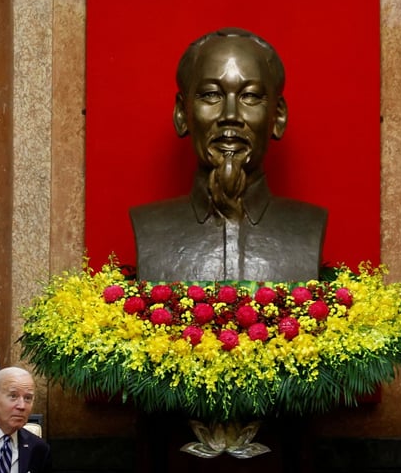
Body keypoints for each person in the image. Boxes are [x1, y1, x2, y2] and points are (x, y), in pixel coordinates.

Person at [131, 27, 327, 282]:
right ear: (182, 113)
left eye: (250, 96)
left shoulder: (308, 226)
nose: (230, 116)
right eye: (212, 95)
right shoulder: (150, 227)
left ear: (278, 116)